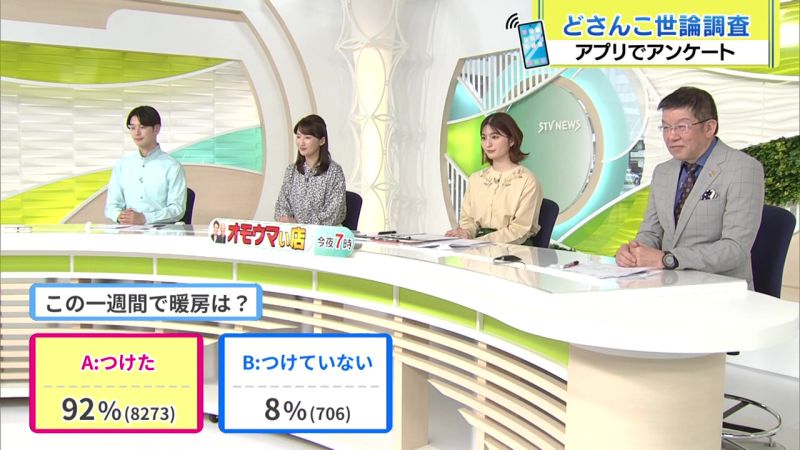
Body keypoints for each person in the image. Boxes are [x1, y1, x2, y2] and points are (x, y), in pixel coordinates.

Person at [615, 86, 764, 288]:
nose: (671, 136)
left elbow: (734, 249)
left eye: (681, 127)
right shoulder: (663, 171)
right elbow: (651, 233)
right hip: (666, 286)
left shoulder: (743, 168)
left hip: (721, 290)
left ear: (709, 128)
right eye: (665, 127)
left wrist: (668, 259)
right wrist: (634, 252)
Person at [445, 112, 543, 244]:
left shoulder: (527, 181)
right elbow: (468, 220)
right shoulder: (475, 179)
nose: (488, 144)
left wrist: (480, 242)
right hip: (476, 246)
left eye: (495, 137)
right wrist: (467, 233)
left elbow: (520, 230)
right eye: (483, 138)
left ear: (512, 140)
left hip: (514, 248)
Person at [104, 106, 187, 225]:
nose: (137, 132)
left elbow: (177, 209)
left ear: (156, 128)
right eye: (132, 127)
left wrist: (145, 218)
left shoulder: (172, 166)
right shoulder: (123, 165)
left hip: (160, 231)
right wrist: (120, 216)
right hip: (127, 230)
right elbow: (111, 206)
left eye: (142, 127)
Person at [274, 114, 346, 226]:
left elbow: (334, 213)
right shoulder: (291, 171)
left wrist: (301, 225)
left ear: (322, 141)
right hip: (294, 233)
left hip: (323, 233)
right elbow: (281, 204)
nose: (301, 143)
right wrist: (286, 219)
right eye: (298, 137)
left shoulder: (334, 172)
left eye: (307, 137)